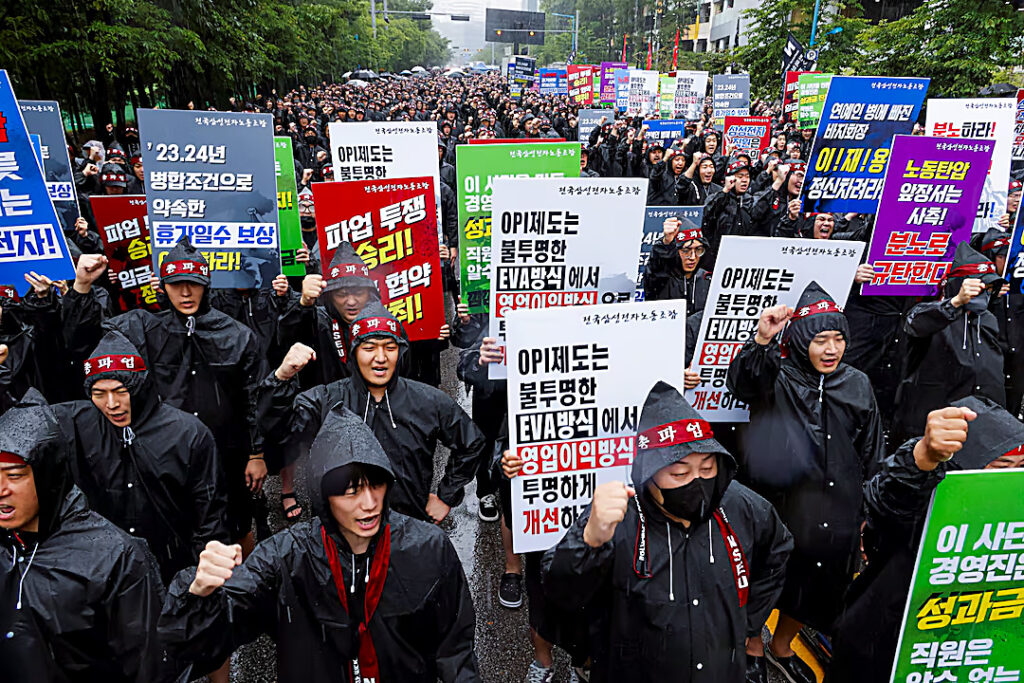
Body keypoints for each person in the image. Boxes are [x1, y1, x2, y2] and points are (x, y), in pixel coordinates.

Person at [159, 406, 480, 682]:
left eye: (376, 485)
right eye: (350, 491)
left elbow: (456, 650)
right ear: (324, 495)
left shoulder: (428, 548)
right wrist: (197, 595)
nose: (369, 504)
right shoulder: (285, 556)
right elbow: (200, 645)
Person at [543, 381, 793, 683]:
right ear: (647, 474)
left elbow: (778, 548)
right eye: (679, 473)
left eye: (707, 467)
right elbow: (560, 594)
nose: (697, 481)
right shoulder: (617, 521)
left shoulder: (740, 505)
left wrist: (745, 622)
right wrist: (589, 541)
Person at [62, 237, 266, 557]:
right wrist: (83, 287)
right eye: (176, 284)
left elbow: (254, 396)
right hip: (164, 452)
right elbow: (88, 344)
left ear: (206, 283)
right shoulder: (143, 327)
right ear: (162, 285)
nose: (185, 293)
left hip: (228, 451)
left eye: (193, 284)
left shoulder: (237, 335)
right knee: (176, 527)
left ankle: (240, 596)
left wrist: (257, 453)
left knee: (236, 523)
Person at [727, 281, 885, 683]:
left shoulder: (857, 384)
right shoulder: (775, 377)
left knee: (817, 588)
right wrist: (762, 338)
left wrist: (869, 511)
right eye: (820, 340)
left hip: (837, 510)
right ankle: (752, 645)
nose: (831, 349)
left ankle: (782, 645)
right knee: (765, 578)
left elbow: (872, 450)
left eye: (838, 339)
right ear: (800, 341)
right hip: (779, 505)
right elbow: (744, 381)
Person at [829, 396, 1024, 683]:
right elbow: (889, 501)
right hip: (884, 645)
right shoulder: (925, 501)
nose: (1013, 477)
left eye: (1021, 467)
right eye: (1000, 467)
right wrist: (923, 457)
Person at [259, 301, 486, 524]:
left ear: (401, 351)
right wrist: (280, 379)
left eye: (390, 347)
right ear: (355, 352)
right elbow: (279, 434)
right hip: (340, 533)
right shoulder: (326, 399)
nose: (380, 358)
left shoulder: (429, 401)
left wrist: (446, 495)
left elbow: (471, 442)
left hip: (407, 528)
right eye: (369, 348)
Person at [0, 390, 164, 681]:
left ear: (48, 475)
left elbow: (146, 664)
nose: (1, 489)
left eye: (15, 475)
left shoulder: (115, 559)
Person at [52, 330, 228, 582]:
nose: (111, 404)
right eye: (99, 394)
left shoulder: (188, 433)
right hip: (104, 566)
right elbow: (21, 425)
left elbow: (210, 512)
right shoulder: (77, 423)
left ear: (141, 385)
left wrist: (205, 572)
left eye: (121, 391)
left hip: (174, 563)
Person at [892, 242, 1006, 444]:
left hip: (982, 421)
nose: (984, 293)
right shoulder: (932, 313)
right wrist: (956, 302)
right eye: (978, 286)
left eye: (989, 288)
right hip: (935, 424)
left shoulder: (988, 319)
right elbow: (915, 323)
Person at [277, 242, 377, 386]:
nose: (351, 302)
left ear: (369, 293)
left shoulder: (383, 323)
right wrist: (304, 304)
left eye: (358, 293)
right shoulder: (320, 320)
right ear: (330, 295)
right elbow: (288, 337)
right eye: (342, 294)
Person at [642, 218, 711, 315]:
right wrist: (666, 243)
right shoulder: (661, 278)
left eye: (698, 250)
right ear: (675, 251)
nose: (692, 257)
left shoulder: (708, 279)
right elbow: (657, 267)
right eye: (686, 250)